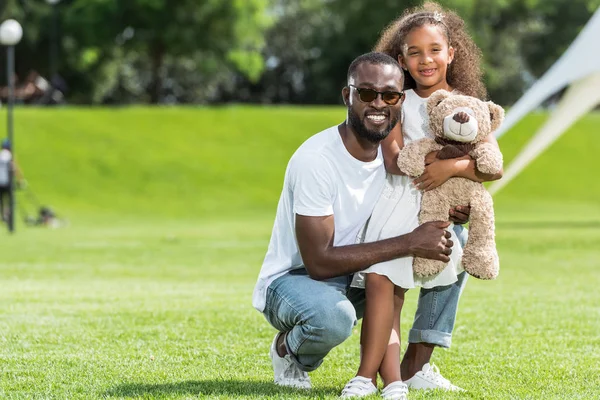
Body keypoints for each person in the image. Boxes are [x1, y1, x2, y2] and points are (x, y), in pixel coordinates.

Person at [252, 52, 467, 396]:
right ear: (347, 96)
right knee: (332, 318)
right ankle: (287, 350)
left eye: (390, 95)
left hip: (360, 275)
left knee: (457, 240)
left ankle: (414, 367)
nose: (378, 104)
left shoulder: (396, 159)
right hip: (297, 280)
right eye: (366, 93)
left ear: (401, 100)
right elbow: (319, 262)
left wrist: (455, 210)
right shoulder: (317, 160)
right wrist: (410, 243)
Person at [341, 2, 504, 395]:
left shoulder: (467, 105)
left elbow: (492, 164)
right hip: (400, 204)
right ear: (401, 59)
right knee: (389, 290)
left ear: (452, 53)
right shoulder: (397, 100)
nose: (425, 59)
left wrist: (451, 169)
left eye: (434, 49)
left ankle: (418, 364)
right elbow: (396, 160)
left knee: (454, 264)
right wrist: (443, 162)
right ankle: (385, 371)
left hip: (444, 212)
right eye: (414, 52)